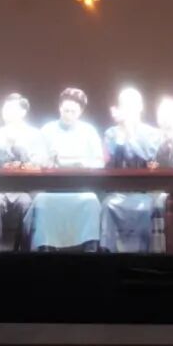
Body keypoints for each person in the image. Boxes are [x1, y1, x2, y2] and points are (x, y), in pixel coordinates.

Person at [23, 88, 104, 251]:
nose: (69, 114)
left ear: (80, 112)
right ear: (60, 108)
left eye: (73, 111)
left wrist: (84, 163)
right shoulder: (47, 129)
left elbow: (99, 161)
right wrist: (46, 160)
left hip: (81, 189)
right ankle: (45, 247)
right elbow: (34, 158)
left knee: (92, 201)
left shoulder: (89, 131)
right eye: (66, 110)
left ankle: (90, 248)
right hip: (52, 189)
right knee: (42, 201)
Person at [100, 87, 162, 252]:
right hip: (117, 192)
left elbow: (149, 158)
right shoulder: (111, 133)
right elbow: (109, 163)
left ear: (140, 107)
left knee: (145, 207)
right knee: (107, 205)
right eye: (124, 106)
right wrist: (120, 139)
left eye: (132, 105)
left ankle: (143, 253)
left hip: (145, 191)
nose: (128, 110)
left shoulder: (152, 133)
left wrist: (129, 132)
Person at [0, 93, 40, 250]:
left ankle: (24, 250)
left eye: (12, 109)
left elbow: (37, 164)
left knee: (26, 204)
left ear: (23, 112)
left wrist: (20, 148)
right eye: (5, 108)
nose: (7, 112)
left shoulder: (34, 134)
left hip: (24, 189)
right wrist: (1, 148)